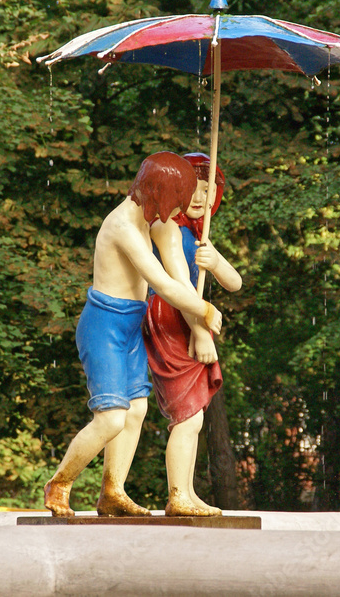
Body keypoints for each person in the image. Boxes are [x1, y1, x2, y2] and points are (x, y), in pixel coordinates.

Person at [43, 151, 224, 518]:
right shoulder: (123, 226)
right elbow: (163, 283)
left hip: (130, 326)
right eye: (178, 203)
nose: (179, 213)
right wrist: (206, 310)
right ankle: (59, 484)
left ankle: (112, 491)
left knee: (136, 410)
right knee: (110, 417)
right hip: (104, 326)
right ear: (161, 194)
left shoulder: (148, 220)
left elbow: (177, 271)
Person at [143, 152, 242, 516]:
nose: (201, 197)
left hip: (190, 314)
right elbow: (178, 282)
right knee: (186, 413)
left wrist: (215, 262)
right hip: (170, 315)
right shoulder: (165, 225)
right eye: (194, 189)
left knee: (195, 415)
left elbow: (235, 284)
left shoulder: (200, 235)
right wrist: (200, 331)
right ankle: (177, 496)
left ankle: (184, 491)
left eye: (209, 189)